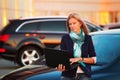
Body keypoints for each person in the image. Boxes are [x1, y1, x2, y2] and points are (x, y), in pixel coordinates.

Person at [56, 13, 96, 80]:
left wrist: (80, 59)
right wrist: (60, 67)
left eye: (74, 23)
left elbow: (94, 60)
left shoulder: (87, 38)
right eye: (70, 24)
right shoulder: (65, 39)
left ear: (80, 23)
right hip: (67, 75)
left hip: (84, 74)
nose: (72, 26)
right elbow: (62, 58)